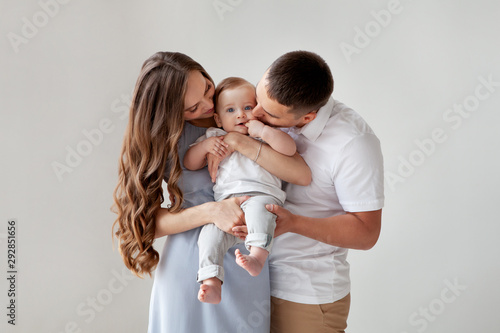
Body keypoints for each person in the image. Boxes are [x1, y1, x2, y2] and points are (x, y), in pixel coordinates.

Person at [112, 52, 311, 333]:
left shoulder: (245, 112)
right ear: (173, 111)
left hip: (249, 255)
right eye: (192, 108)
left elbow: (301, 174)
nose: (207, 105)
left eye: (206, 87)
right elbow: (145, 223)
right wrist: (211, 211)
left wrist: (234, 140)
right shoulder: (167, 138)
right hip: (192, 263)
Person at [214, 51, 384, 333]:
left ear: (307, 116)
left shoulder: (353, 144)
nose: (254, 114)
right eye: (259, 97)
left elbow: (367, 233)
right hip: (251, 282)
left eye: (268, 114)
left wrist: (294, 223)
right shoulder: (268, 110)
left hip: (303, 293)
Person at [183, 77, 299, 304]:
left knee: (259, 210)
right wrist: (205, 147)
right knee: (208, 235)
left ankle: (257, 256)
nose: (240, 115)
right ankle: (211, 280)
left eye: (247, 107)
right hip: (227, 207)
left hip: (262, 195)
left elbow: (290, 148)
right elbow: (189, 163)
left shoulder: (264, 134)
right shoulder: (214, 137)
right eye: (230, 110)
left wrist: (264, 131)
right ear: (217, 118)